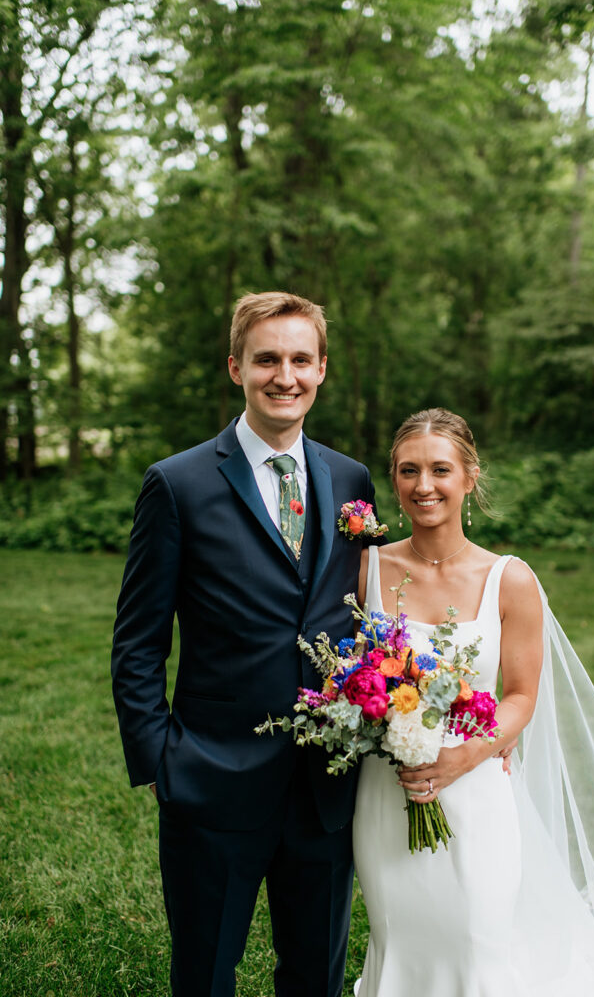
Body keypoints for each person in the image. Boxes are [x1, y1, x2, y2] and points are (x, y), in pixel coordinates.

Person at [352, 408, 594, 997]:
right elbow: (353, 676)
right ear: (394, 481)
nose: (424, 485)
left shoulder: (510, 579)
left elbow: (522, 695)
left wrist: (464, 756)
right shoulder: (368, 568)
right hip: (388, 791)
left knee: (479, 940)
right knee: (400, 938)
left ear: (470, 477)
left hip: (476, 791)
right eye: (408, 471)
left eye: (440, 470)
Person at [111, 291, 381, 997]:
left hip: (325, 780)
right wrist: (160, 760)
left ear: (322, 369)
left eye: (299, 359)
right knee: (205, 972)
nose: (283, 376)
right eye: (266, 359)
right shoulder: (178, 483)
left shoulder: (351, 479)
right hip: (213, 776)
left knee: (315, 971)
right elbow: (138, 640)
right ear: (237, 368)